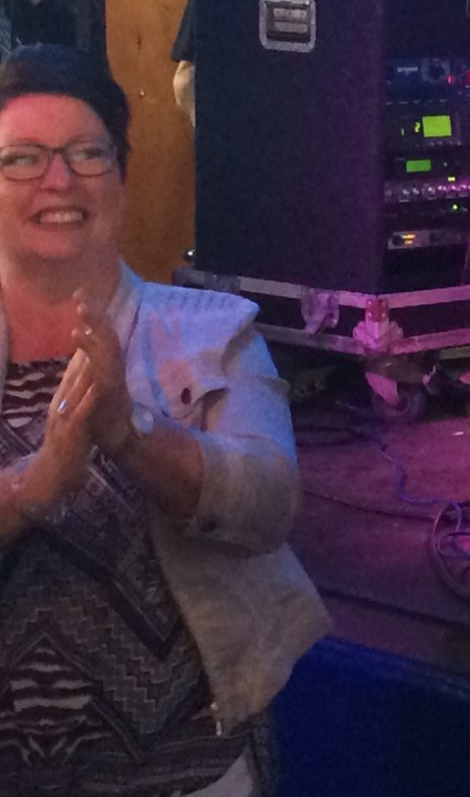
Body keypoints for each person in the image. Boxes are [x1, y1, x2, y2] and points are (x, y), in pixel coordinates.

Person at [0, 46, 328, 797]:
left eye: (87, 153)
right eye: (22, 159)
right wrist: (33, 486)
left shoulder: (215, 328)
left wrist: (131, 433)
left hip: (191, 772)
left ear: (122, 173)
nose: (59, 180)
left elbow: (269, 501)